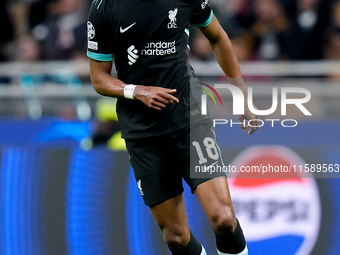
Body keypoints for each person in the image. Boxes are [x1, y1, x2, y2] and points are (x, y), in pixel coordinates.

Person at [87, 0, 260, 254]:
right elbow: (98, 77)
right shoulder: (105, 7)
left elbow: (218, 38)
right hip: (142, 131)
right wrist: (137, 91)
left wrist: (240, 93)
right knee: (176, 237)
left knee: (223, 218)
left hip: (188, 119)